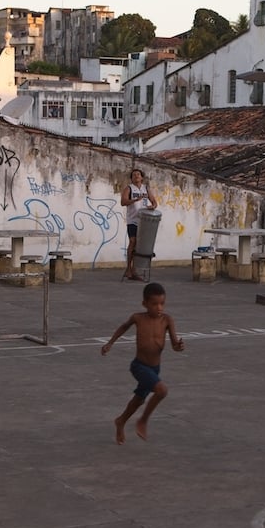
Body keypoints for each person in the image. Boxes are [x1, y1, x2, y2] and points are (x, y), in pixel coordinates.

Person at [101, 281, 185, 444]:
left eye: (162, 303)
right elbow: (123, 328)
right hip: (139, 366)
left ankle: (121, 421)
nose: (159, 308)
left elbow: (174, 344)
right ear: (144, 303)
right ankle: (143, 420)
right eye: (154, 304)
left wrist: (179, 346)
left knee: (139, 399)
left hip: (155, 368)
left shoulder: (167, 320)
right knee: (161, 391)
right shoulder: (138, 318)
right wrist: (110, 343)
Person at [121, 168, 158, 280]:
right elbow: (123, 202)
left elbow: (154, 202)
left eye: (138, 174)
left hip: (144, 221)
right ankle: (128, 268)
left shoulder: (146, 188)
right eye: (134, 175)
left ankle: (135, 271)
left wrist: (153, 206)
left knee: (140, 246)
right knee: (133, 241)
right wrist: (135, 200)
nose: (136, 176)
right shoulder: (129, 188)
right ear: (131, 178)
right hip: (132, 220)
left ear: (142, 177)